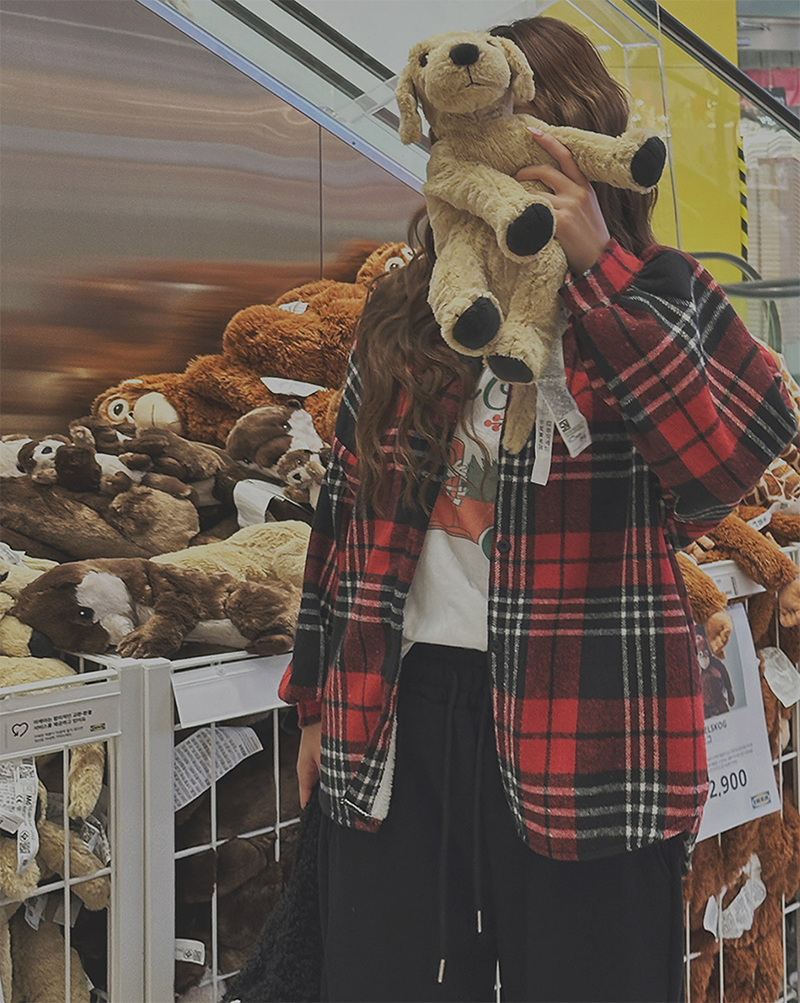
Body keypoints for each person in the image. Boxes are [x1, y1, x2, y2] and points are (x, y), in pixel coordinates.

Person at [278, 16, 798, 1003]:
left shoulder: (659, 292)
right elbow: (340, 518)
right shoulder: (413, 306)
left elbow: (717, 469)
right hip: (397, 714)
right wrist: (313, 704)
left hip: (592, 711)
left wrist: (597, 267)